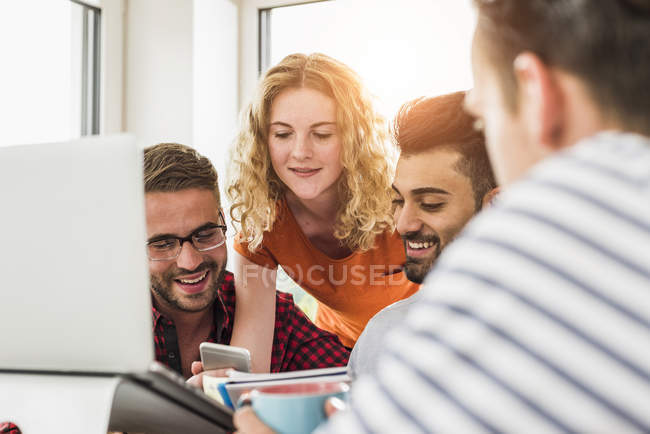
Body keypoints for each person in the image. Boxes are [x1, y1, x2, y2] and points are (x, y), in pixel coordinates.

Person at [235, 0, 650, 431]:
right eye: (283, 134)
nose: (403, 223)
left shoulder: (530, 247)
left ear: (537, 94)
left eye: (484, 115)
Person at [227, 53, 419, 372]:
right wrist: (219, 390)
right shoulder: (261, 223)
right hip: (343, 357)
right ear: (263, 140)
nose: (301, 152)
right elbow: (251, 358)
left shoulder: (398, 201)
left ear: (354, 138)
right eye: (283, 134)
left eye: (322, 134)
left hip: (422, 351)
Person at [143, 142, 349, 382]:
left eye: (205, 234)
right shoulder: (105, 328)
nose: (190, 262)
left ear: (223, 219)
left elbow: (358, 390)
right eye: (163, 244)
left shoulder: (274, 318)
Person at [348, 91, 498, 378]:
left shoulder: (545, 332)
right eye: (398, 201)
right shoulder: (385, 336)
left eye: (431, 204)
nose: (403, 225)